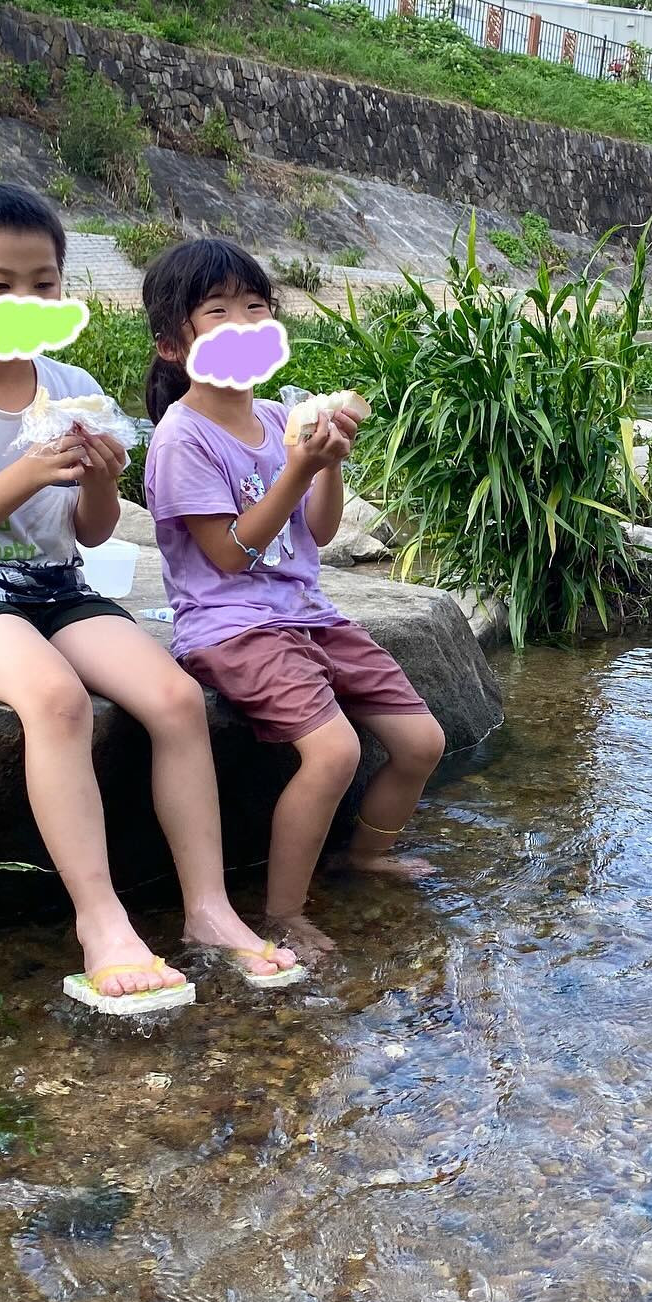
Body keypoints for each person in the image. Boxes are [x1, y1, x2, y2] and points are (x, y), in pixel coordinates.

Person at [0, 183, 299, 1002]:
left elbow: (94, 531)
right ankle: (100, 917)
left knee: (175, 698)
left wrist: (102, 478)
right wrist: (26, 472)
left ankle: (208, 908)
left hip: (54, 584)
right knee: (57, 699)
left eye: (44, 285)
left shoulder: (69, 383)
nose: (25, 303)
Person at [140, 238, 447, 958]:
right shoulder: (182, 438)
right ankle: (284, 912)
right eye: (219, 311)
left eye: (257, 308)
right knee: (334, 751)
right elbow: (229, 553)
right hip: (231, 625)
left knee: (421, 740)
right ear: (173, 344)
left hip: (308, 613)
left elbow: (320, 528)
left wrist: (326, 463)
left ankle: (365, 855)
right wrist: (295, 468)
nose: (245, 324)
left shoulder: (282, 415)